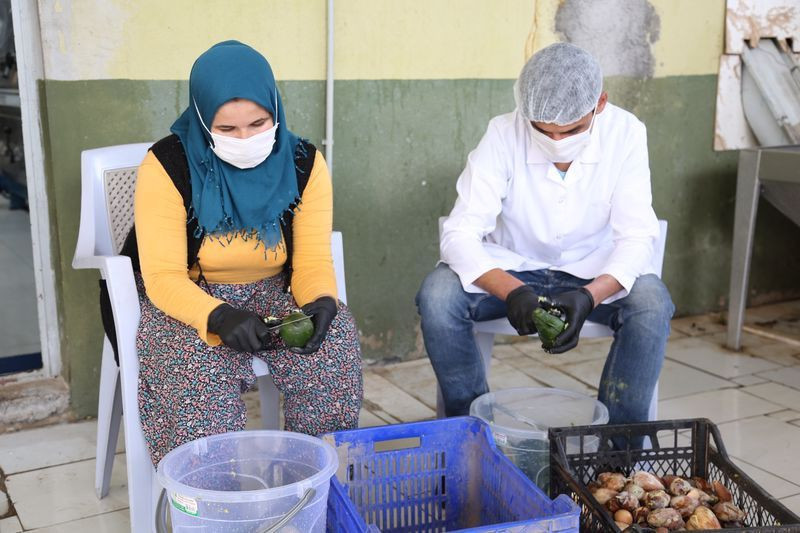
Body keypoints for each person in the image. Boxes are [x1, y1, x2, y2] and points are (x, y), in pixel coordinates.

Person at [416, 42, 674, 426]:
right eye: (543, 130)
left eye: (571, 130)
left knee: (652, 303)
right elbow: (460, 233)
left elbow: (637, 237)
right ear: (525, 111)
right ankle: (471, 432)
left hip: (592, 272)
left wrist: (589, 296)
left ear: (599, 103)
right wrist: (512, 290)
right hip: (513, 270)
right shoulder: (503, 133)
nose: (556, 141)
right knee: (436, 295)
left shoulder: (626, 134)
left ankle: (616, 455)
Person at [132, 41, 362, 465]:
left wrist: (322, 301)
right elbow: (162, 276)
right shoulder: (166, 165)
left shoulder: (304, 163)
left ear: (276, 109)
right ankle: (213, 503)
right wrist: (217, 316)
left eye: (259, 123)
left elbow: (310, 260)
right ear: (203, 121)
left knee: (334, 347)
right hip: (190, 297)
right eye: (227, 130)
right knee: (195, 384)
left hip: (274, 291)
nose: (247, 139)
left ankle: (313, 487)